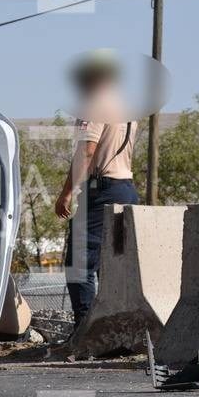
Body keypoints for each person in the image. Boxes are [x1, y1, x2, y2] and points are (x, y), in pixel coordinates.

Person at [55, 50, 140, 327]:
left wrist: (67, 192)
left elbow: (87, 152)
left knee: (79, 262)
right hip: (126, 190)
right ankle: (114, 328)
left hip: (102, 190)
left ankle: (86, 330)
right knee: (111, 266)